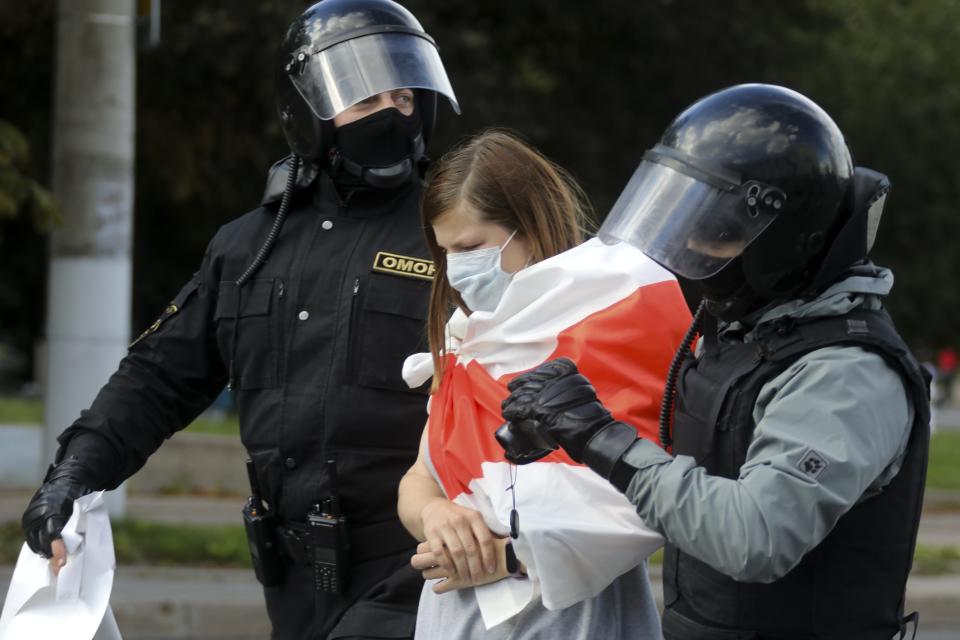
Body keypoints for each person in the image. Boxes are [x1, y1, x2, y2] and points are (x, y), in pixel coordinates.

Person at [20, 1, 459, 638]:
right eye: (365, 100)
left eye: (403, 96)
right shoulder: (247, 247)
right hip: (293, 577)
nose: (392, 113)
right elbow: (158, 378)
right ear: (307, 114)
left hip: (415, 568)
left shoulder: (455, 235)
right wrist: (71, 477)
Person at [500, 84, 931, 639]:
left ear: (784, 234)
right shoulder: (744, 333)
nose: (693, 250)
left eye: (716, 232)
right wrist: (570, 422)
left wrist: (599, 437)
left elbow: (755, 537)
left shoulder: (845, 370)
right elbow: (690, 476)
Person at [396, 130, 691, 638]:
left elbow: (657, 496)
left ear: (529, 228)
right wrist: (435, 516)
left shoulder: (618, 317)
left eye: (471, 247)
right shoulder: (471, 339)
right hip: (459, 615)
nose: (458, 271)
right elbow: (419, 478)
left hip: (577, 616)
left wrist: (509, 556)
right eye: (446, 252)